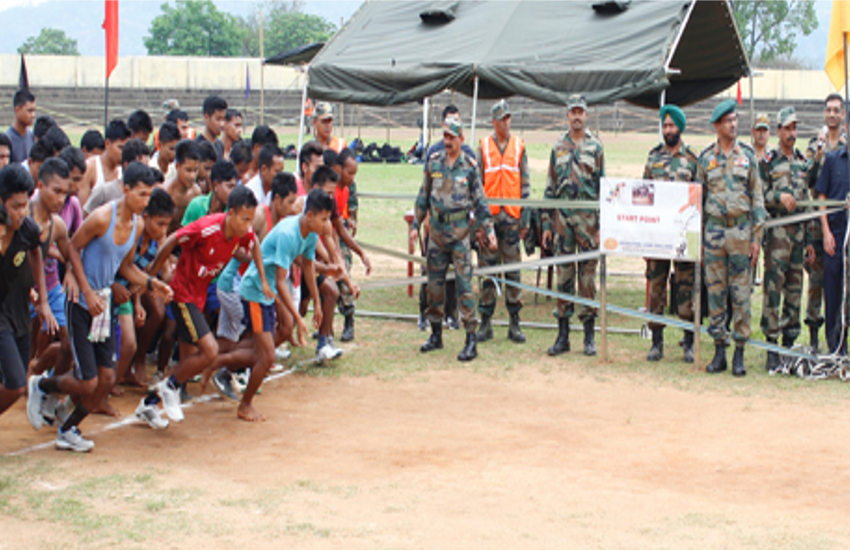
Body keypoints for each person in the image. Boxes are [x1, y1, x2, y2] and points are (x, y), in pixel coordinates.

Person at [27, 161, 172, 451]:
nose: (146, 201)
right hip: (80, 303)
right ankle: (41, 386)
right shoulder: (102, 218)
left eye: (149, 196)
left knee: (106, 379)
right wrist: (85, 290)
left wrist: (151, 284)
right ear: (125, 189)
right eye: (141, 194)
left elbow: (127, 267)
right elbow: (73, 249)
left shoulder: (138, 224)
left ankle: (69, 430)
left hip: (102, 305)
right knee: (88, 381)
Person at [137, 186, 272, 425]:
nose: (248, 225)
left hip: (197, 299)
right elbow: (172, 238)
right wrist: (153, 277)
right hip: (182, 294)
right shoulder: (207, 227)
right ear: (230, 213)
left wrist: (262, 278)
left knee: (188, 365)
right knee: (209, 350)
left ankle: (148, 405)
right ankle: (169, 386)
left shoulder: (243, 232)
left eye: (251, 220)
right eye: (244, 219)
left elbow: (256, 245)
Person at [229, 188, 329, 421]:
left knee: (281, 332)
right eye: (323, 219)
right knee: (266, 355)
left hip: (271, 290)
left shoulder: (311, 232)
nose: (326, 225)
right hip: (257, 289)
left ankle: (231, 364)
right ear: (310, 215)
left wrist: (317, 302)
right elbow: (281, 281)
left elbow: (308, 266)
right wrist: (298, 317)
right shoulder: (287, 233)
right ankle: (241, 396)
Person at [411, 117, 496, 362]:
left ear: (460, 138)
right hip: (436, 234)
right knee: (434, 286)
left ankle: (471, 339)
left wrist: (488, 229)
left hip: (459, 234)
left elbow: (480, 201)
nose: (447, 142)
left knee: (464, 286)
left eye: (451, 137)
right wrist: (416, 224)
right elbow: (423, 195)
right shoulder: (433, 162)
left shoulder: (469, 166)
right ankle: (436, 334)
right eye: (444, 136)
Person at [699, 99, 766, 376]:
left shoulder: (747, 156)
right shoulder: (706, 159)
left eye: (736, 120)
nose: (734, 125)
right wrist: (699, 242)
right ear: (717, 126)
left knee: (741, 294)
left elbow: (758, 197)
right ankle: (719, 351)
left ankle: (739, 353)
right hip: (714, 233)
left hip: (741, 233)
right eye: (728, 121)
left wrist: (756, 239)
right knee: (715, 293)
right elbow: (698, 201)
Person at [541, 94, 605, 357]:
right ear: (567, 115)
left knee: (587, 279)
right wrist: (546, 223)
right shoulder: (558, 147)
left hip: (588, 224)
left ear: (586, 115)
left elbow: (604, 189)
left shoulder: (596, 148)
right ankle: (563, 335)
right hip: (563, 223)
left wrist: (602, 227)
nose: (577, 116)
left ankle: (589, 336)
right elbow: (550, 187)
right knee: (564, 276)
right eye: (573, 112)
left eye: (581, 111)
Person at [641, 104, 699, 362]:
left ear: (680, 128)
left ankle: (688, 342)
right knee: (656, 286)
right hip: (658, 235)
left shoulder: (692, 160)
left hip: (684, 236)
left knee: (686, 286)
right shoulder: (653, 158)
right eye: (664, 126)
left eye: (672, 126)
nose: (668, 130)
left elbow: (699, 200)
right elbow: (642, 196)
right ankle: (656, 342)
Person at [475, 100, 530, 345]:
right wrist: (478, 222)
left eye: (508, 118)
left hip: (511, 218)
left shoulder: (519, 146)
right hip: (488, 219)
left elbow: (525, 183)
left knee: (513, 272)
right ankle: (485, 323)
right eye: (501, 119)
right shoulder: (483, 146)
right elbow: (476, 186)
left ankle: (514, 324)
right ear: (493, 122)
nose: (506, 122)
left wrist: (525, 218)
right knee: (487, 272)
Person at [0, 164, 52, 418]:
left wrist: (41, 298)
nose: (22, 212)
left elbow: (35, 252)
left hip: (17, 309)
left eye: (25, 205)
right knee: (16, 383)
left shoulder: (27, 230)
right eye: (16, 206)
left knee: (19, 376)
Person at [760, 107, 809, 372]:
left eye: (794, 128)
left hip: (799, 236)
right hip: (777, 236)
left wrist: (810, 239)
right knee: (773, 289)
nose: (791, 133)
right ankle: (772, 346)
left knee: (794, 288)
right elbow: (760, 195)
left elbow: (810, 202)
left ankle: (789, 343)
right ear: (778, 131)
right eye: (787, 128)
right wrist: (777, 198)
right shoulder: (768, 161)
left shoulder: (802, 161)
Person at [804, 93, 847, 351]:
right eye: (828, 110)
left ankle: (839, 337)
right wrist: (819, 153)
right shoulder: (814, 146)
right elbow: (810, 181)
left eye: (836, 110)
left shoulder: (846, 145)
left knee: (839, 283)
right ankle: (813, 338)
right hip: (817, 225)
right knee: (817, 282)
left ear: (842, 115)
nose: (832, 114)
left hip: (841, 227)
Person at [27, 158, 75, 386]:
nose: (61, 199)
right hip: (18, 291)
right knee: (22, 345)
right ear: (40, 186)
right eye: (56, 191)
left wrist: (71, 273)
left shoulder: (58, 224)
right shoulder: (21, 215)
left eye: (64, 193)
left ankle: (43, 385)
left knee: (69, 342)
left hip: (51, 286)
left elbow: (72, 255)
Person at [815, 121, 850, 354]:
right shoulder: (834, 159)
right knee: (833, 291)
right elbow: (821, 198)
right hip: (835, 237)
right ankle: (835, 346)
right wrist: (826, 232)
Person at [334, 148, 361, 341]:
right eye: (349, 172)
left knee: (344, 277)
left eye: (354, 174)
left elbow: (350, 211)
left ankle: (349, 321)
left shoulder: (346, 188)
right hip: (328, 235)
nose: (352, 178)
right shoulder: (331, 187)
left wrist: (351, 220)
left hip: (340, 234)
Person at [83, 138, 149, 216]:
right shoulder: (105, 192)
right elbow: (85, 218)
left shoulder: (148, 196)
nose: (145, 171)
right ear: (126, 165)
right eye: (140, 166)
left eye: (147, 167)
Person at [79, 119, 130, 207]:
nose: (124, 153)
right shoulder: (90, 167)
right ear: (107, 143)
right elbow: (82, 209)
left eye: (126, 149)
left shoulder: (124, 170)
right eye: (120, 148)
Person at [163, 139, 202, 233]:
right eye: (188, 170)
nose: (192, 176)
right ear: (177, 166)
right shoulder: (166, 192)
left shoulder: (196, 193)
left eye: (195, 170)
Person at [6, 89, 36, 163]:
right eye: (29, 111)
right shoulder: (8, 139)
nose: (33, 115)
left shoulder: (32, 136)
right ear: (17, 110)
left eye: (34, 111)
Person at [196, 95, 227, 160]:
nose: (222, 124)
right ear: (206, 117)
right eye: (218, 119)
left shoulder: (220, 145)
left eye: (223, 119)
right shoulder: (197, 146)